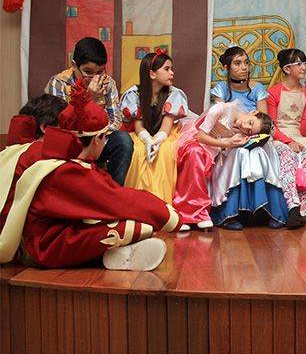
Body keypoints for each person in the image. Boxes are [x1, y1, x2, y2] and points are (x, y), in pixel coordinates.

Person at [0, 80, 181, 270]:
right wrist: (168, 215)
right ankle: (112, 254)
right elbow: (114, 199)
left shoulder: (22, 150)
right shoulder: (61, 166)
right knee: (132, 226)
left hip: (28, 231)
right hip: (38, 246)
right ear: (96, 139)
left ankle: (117, 254)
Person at [175, 100, 289, 230]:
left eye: (249, 131)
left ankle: (264, 209)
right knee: (199, 154)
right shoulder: (220, 109)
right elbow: (200, 136)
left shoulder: (241, 131)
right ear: (253, 112)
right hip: (199, 144)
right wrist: (227, 143)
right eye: (250, 122)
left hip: (216, 153)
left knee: (252, 152)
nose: (245, 127)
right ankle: (201, 214)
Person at [44, 36, 133, 185]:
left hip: (99, 141)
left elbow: (116, 120)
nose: (94, 78)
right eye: (88, 72)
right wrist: (89, 98)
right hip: (71, 143)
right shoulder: (58, 83)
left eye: (100, 72)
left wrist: (96, 138)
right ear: (74, 65)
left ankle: (113, 189)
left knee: (123, 140)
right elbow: (60, 123)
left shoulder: (108, 82)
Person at [120, 50, 189, 203]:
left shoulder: (173, 94)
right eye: (167, 69)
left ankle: (162, 201)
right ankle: (137, 201)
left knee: (166, 151)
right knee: (138, 150)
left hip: (165, 133)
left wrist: (157, 140)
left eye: (171, 68)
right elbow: (138, 125)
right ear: (152, 74)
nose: (172, 72)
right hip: (141, 133)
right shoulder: (134, 94)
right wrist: (147, 140)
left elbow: (167, 126)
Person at [267, 49, 306, 224]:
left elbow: (305, 130)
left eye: (305, 63)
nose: (303, 67)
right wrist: (289, 141)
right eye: (298, 64)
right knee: (287, 156)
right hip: (279, 136)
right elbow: (271, 126)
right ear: (287, 69)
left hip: (299, 135)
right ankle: (292, 206)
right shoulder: (273, 92)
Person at [211, 45, 268, 113]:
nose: (244, 67)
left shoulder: (258, 88)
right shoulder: (222, 88)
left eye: (246, 62)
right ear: (226, 68)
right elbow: (218, 115)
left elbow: (263, 117)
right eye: (237, 63)